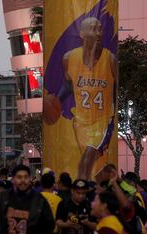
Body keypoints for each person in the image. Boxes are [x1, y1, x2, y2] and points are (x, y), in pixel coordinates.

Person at [45, 17, 117, 180]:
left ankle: (80, 187)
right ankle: (101, 190)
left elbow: (117, 89)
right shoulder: (69, 58)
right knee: (97, 168)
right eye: (93, 29)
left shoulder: (110, 59)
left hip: (103, 120)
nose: (98, 33)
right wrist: (57, 100)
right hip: (81, 121)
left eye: (100, 29)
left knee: (86, 159)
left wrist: (114, 115)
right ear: (82, 34)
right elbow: (69, 84)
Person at [0, 164, 55, 234]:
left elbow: (49, 225)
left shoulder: (39, 200)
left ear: (29, 178)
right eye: (19, 177)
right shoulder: (3, 197)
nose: (23, 180)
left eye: (26, 177)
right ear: (13, 179)